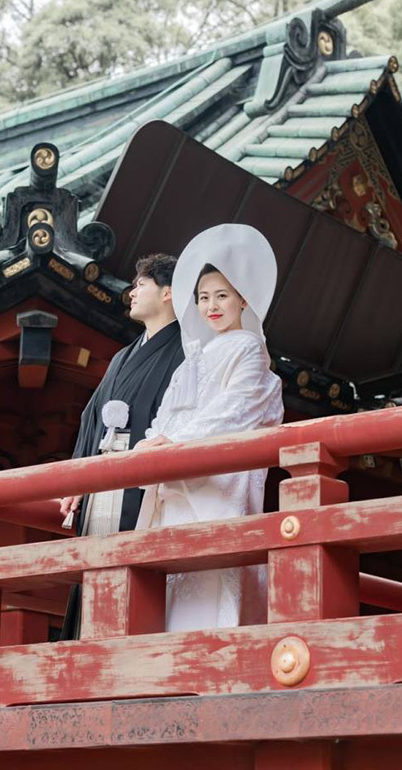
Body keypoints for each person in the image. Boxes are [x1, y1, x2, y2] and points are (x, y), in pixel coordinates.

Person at [134, 223, 283, 632]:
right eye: (203, 298)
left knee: (212, 579)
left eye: (222, 296)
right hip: (178, 484)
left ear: (242, 300)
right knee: (171, 582)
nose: (211, 306)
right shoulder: (191, 361)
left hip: (217, 483)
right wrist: (152, 445)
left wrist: (175, 442)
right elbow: (164, 418)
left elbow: (235, 412)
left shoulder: (251, 350)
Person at [59, 252, 184, 639]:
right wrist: (77, 478)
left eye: (141, 285)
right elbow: (90, 418)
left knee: (137, 576)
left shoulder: (188, 352)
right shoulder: (120, 359)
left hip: (150, 486)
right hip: (103, 480)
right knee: (95, 573)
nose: (131, 293)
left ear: (168, 293)